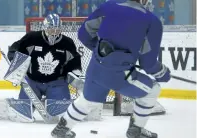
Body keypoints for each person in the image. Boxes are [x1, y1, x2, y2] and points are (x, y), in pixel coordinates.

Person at [51, 0, 171, 138]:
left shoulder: (108, 6)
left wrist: (104, 54)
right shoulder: (152, 21)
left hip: (96, 68)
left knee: (89, 99)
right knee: (152, 90)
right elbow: (148, 64)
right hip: (120, 75)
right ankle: (136, 130)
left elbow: (83, 35)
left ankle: (62, 128)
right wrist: (163, 73)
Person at [0, 13, 82, 122]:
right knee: (24, 113)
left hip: (57, 83)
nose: (54, 33)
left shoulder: (67, 43)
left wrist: (75, 75)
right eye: (51, 30)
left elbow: (74, 61)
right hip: (32, 82)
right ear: (45, 28)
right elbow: (15, 48)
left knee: (62, 115)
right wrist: (14, 59)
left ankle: (71, 105)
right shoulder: (32, 38)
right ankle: (8, 105)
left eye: (57, 30)